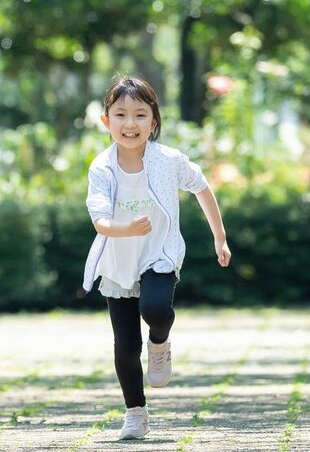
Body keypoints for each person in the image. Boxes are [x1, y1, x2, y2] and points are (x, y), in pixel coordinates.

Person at [82, 75, 233, 440]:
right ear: (107, 121)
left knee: (156, 310)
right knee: (125, 347)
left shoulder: (168, 160)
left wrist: (220, 238)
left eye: (139, 115)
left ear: (153, 121)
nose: (129, 124)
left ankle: (160, 344)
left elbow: (201, 187)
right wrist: (126, 229)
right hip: (118, 261)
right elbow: (100, 221)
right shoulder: (101, 168)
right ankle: (135, 412)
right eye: (120, 115)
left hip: (160, 253)